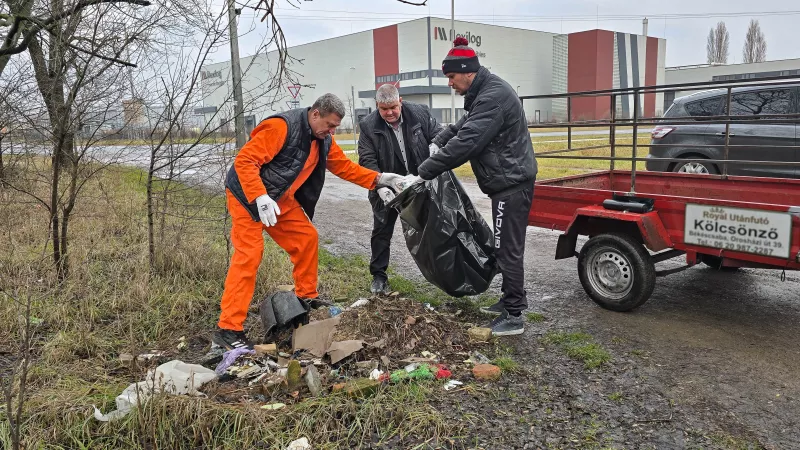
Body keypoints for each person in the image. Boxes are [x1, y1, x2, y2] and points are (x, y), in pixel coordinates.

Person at [214, 94, 405, 350]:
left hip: (279, 198)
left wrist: (379, 180)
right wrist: (259, 196)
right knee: (249, 255)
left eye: (336, 127)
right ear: (315, 114)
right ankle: (228, 328)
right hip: (246, 197)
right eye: (330, 125)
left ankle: (306, 296)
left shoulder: (324, 139)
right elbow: (245, 161)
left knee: (306, 238)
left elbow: (345, 167)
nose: (332, 131)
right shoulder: (280, 127)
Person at [403, 37, 538, 336]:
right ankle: (509, 300)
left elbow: (468, 141)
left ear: (467, 72)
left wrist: (424, 172)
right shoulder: (485, 93)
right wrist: (439, 139)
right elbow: (464, 125)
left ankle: (514, 315)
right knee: (505, 247)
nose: (449, 83)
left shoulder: (493, 97)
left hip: (511, 185)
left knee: (507, 250)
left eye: (451, 77)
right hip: (506, 182)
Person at [357, 84, 443, 295]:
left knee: (431, 227)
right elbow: (367, 159)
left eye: (393, 107)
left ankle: (441, 271)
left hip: (418, 183)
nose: (389, 113)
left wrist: (437, 144)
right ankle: (378, 276)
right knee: (381, 231)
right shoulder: (368, 125)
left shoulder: (419, 113)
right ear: (377, 106)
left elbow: (439, 133)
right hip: (386, 187)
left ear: (400, 101)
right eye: (384, 109)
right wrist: (379, 186)